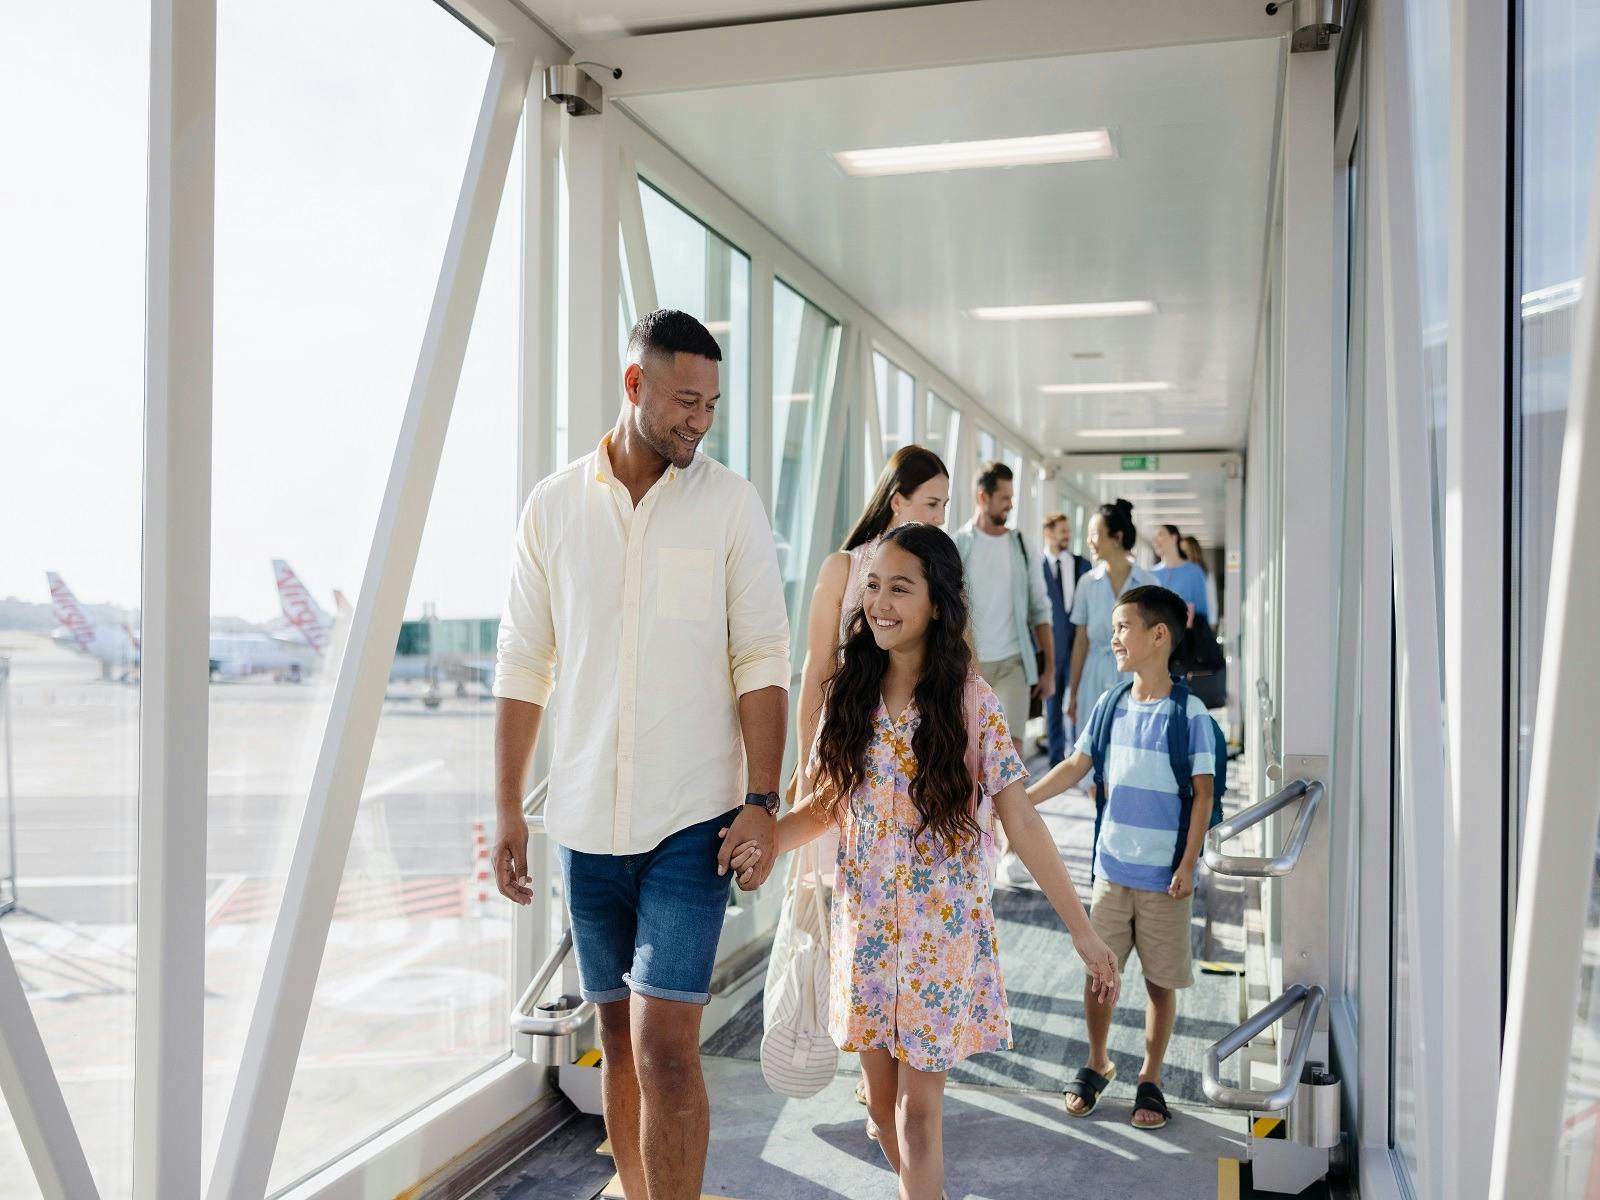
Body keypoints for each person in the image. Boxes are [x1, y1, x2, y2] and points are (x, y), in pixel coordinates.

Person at [491, 309, 791, 1200]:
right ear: (636, 386)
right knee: (616, 1038)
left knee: (667, 1047)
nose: (700, 419)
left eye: (712, 403)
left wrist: (764, 801)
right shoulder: (553, 507)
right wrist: (508, 802)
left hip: (691, 822)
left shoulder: (730, 505)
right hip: (586, 827)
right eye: (685, 400)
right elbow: (523, 663)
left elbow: (762, 661)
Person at [723, 524, 1119, 1200]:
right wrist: (762, 844)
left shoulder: (971, 704)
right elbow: (825, 807)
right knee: (880, 1111)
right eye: (872, 585)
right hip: (868, 934)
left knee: (917, 1114)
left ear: (938, 603)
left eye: (900, 588)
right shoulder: (850, 694)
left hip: (941, 941)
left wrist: (1084, 932)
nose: (879, 601)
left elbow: (1020, 819)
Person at [1025, 585, 1215, 1130]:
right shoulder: (1110, 704)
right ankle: (1097, 1060)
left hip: (1164, 880)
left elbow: (1202, 793)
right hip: (1111, 870)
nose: (1113, 637)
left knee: (1159, 982)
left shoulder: (1190, 714)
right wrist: (1018, 800)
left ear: (1158, 636)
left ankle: (1150, 1076)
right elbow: (1074, 765)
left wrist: (1187, 864)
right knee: (1099, 974)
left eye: (1123, 627)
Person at [950, 461, 1054, 757]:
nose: (1010, 505)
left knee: (1011, 753)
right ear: (983, 497)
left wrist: (1049, 670)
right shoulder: (957, 545)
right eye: (1005, 498)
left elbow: (1040, 610)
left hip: (1013, 664)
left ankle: (1011, 806)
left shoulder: (1022, 546)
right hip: (968, 665)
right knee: (970, 753)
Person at [1067, 500, 1157, 729]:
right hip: (1093, 677)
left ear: (1116, 537)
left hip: (1135, 677)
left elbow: (1158, 642)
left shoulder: (1147, 583)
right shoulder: (1086, 583)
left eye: (1094, 534)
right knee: (1090, 750)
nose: (1089, 541)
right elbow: (1080, 643)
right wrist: (1073, 693)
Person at [1040, 512, 1091, 766]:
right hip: (1051, 646)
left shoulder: (1082, 565)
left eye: (1068, 531)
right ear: (1048, 533)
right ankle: (1055, 760)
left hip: (1079, 645)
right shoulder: (1037, 568)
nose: (1067, 535)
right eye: (1062, 531)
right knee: (1053, 703)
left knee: (1079, 699)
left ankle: (1080, 757)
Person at [1150, 523, 1210, 626]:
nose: (1155, 541)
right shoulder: (1151, 574)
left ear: (1174, 538)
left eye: (1160, 535)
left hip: (1187, 637)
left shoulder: (1194, 571)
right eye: (1154, 537)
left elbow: (1202, 612)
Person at [1180, 533, 1220, 631]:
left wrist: (1212, 623)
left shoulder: (1204, 572)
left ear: (1193, 551)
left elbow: (1211, 599)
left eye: (1186, 551)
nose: (1183, 554)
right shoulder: (1180, 571)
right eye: (1181, 551)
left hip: (1199, 622)